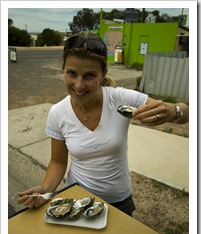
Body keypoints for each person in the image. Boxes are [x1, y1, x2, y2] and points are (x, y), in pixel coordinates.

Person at [17, 31, 189, 216]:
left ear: (103, 73)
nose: (79, 85)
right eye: (72, 74)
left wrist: (174, 111)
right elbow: (58, 162)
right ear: (63, 69)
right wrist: (46, 188)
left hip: (119, 201)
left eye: (89, 75)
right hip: (77, 197)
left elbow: (185, 113)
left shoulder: (120, 98)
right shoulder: (58, 113)